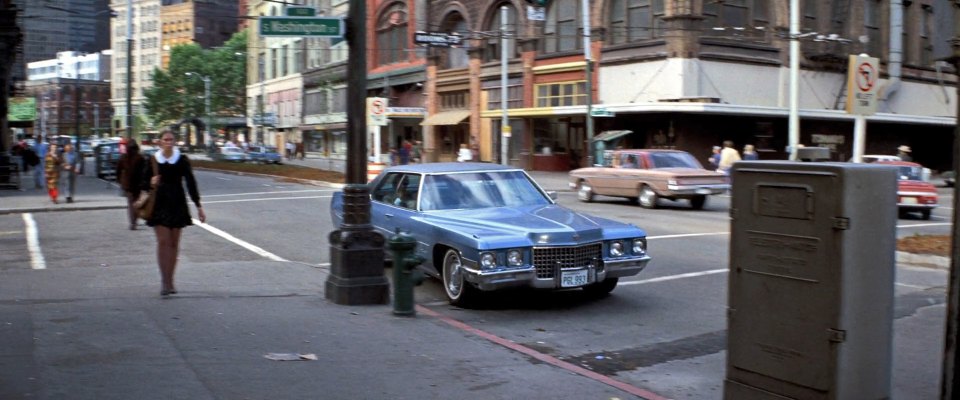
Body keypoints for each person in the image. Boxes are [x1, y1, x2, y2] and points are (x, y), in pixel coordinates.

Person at [141, 130, 206, 296]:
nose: (168, 142)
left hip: (177, 203)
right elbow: (142, 182)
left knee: (174, 244)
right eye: (165, 139)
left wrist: (198, 205)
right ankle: (164, 282)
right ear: (160, 142)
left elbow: (191, 182)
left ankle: (171, 281)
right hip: (159, 204)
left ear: (175, 141)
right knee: (163, 242)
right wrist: (150, 181)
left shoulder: (182, 159)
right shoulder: (153, 160)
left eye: (171, 139)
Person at [117, 142, 145, 230]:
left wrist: (119, 180)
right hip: (137, 184)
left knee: (130, 203)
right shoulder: (140, 158)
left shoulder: (124, 157)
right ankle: (134, 221)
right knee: (136, 202)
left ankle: (133, 222)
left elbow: (118, 170)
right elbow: (144, 171)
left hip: (128, 184)